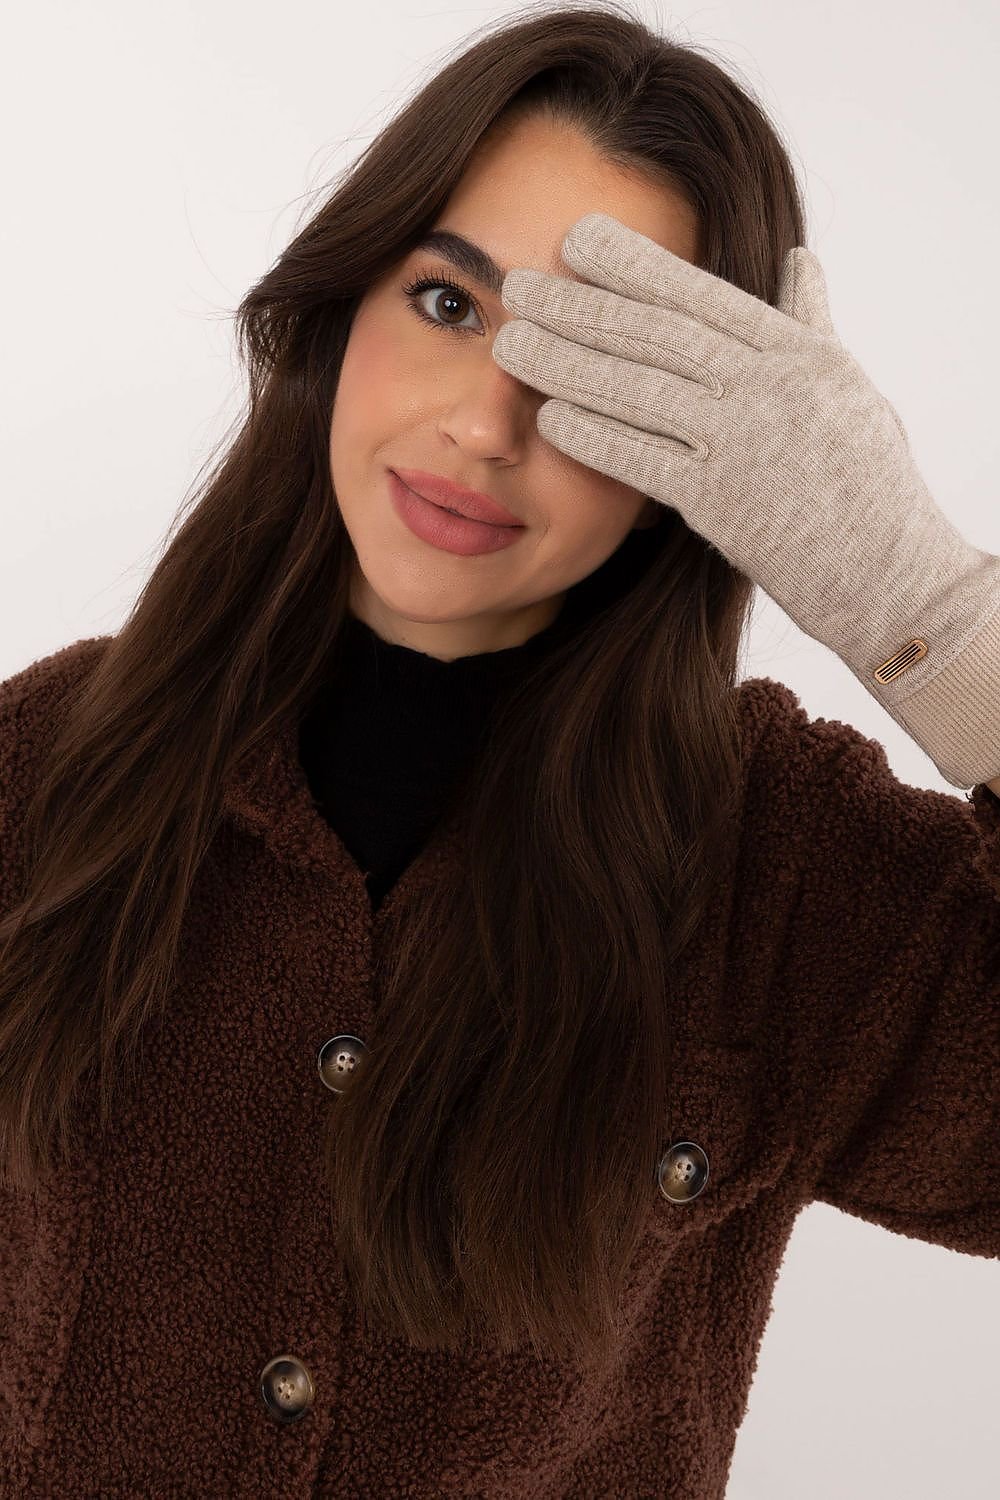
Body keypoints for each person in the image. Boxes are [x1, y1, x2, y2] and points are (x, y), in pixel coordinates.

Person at [0, 3, 997, 1497]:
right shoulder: (39, 774)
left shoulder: (787, 865)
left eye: (598, 373)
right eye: (452, 306)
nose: (486, 425)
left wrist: (931, 610)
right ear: (341, 308)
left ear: (708, 454)